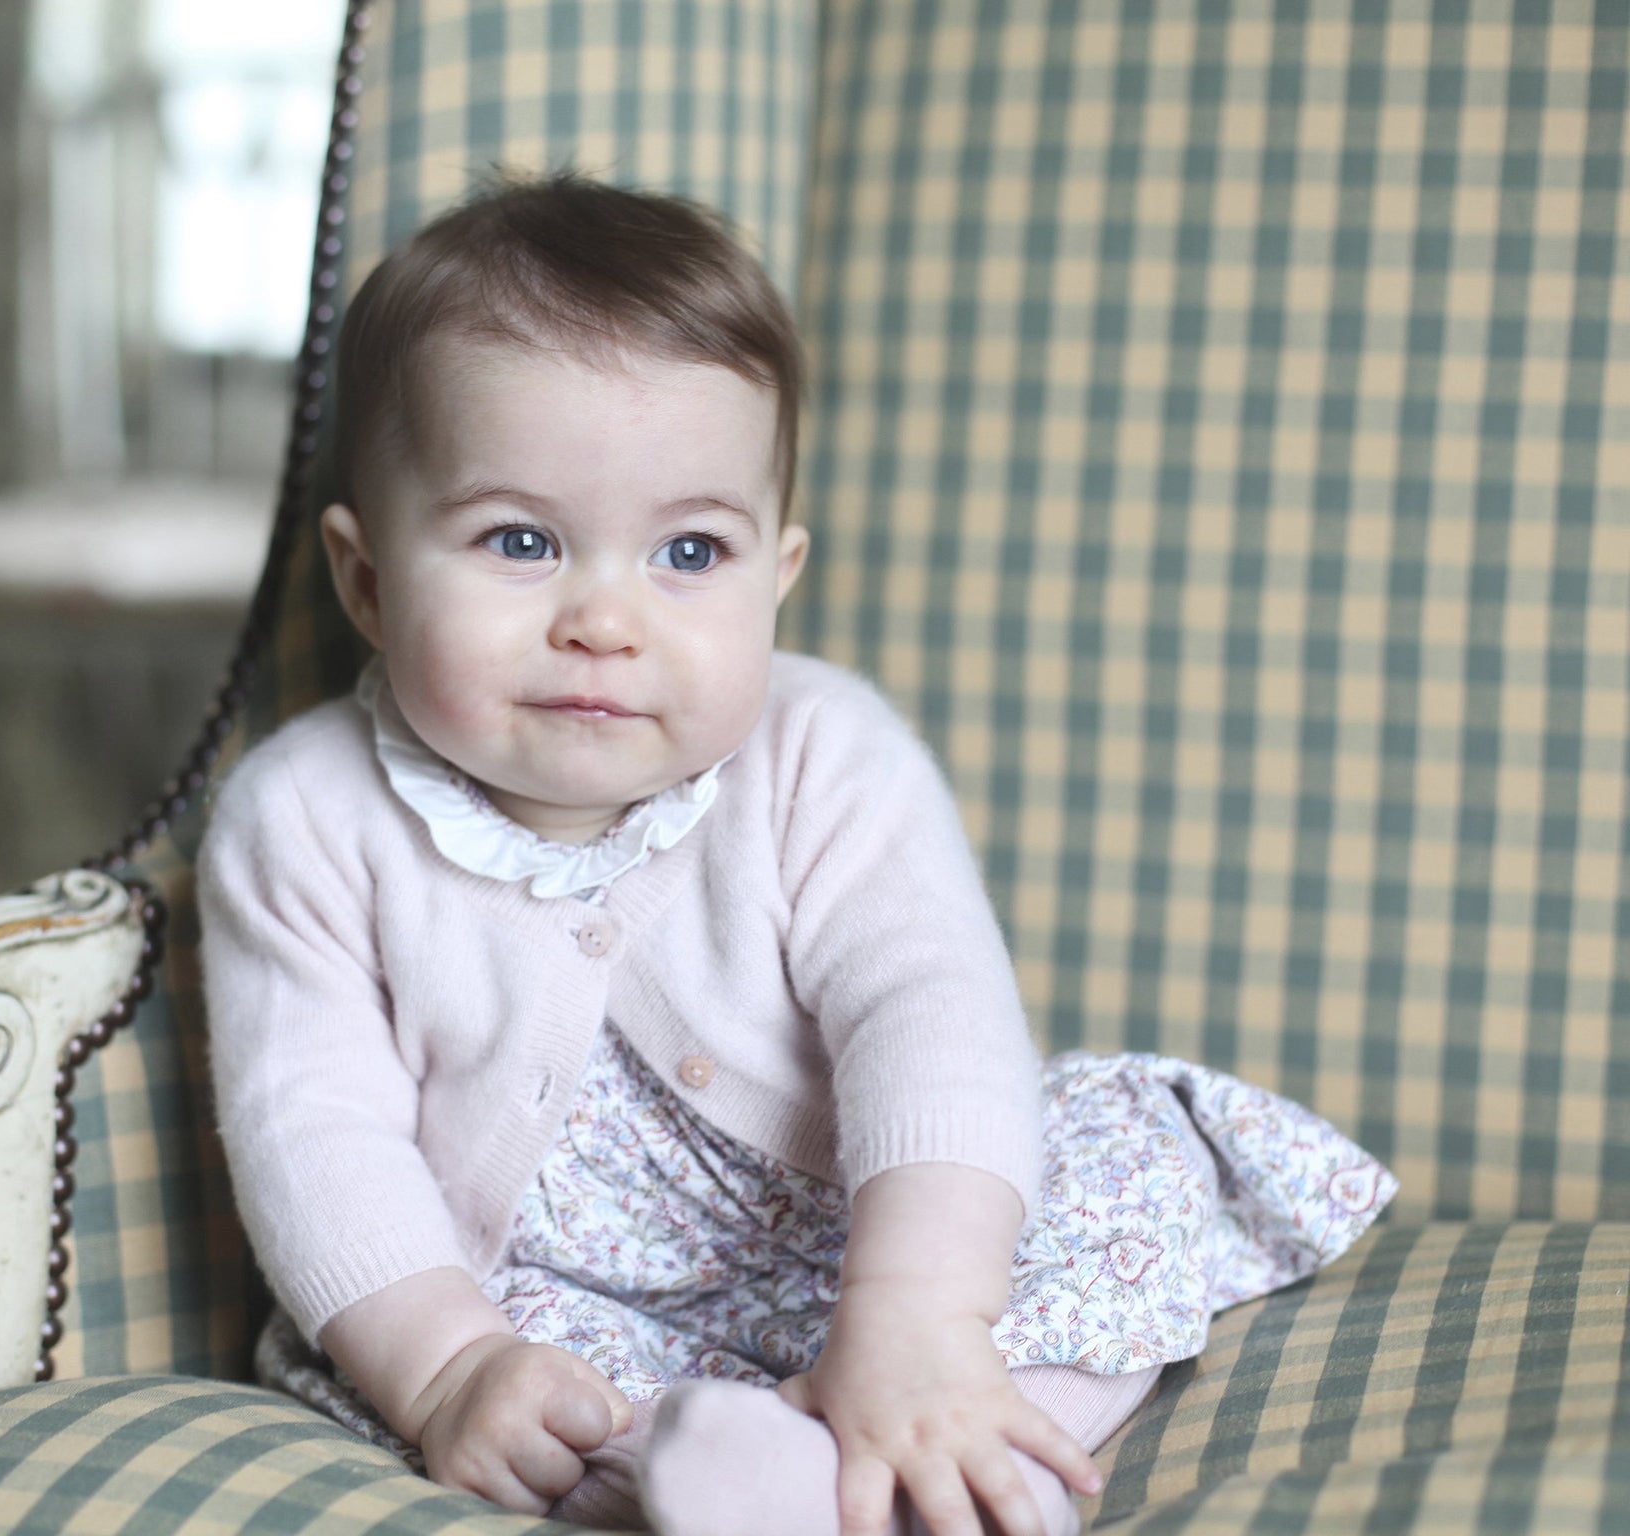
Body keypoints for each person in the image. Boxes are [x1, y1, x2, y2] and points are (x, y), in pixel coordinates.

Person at [199, 172, 1394, 1536]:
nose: (606, 617)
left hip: (863, 1228)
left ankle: (958, 1437)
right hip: (544, 1290)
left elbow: (928, 1012)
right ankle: (730, 1477)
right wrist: (448, 1364)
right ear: (365, 579)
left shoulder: (825, 751)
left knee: (1107, 1160)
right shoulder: (300, 818)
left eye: (691, 551)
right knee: (489, 1390)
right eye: (520, 541)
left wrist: (915, 1314)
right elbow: (315, 1135)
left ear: (779, 573)